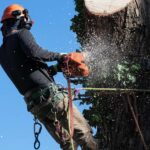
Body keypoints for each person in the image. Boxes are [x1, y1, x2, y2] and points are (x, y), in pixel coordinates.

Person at [0, 4, 98, 150]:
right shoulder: (21, 34)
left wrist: (55, 68)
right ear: (18, 18)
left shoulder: (2, 52)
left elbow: (30, 71)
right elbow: (36, 53)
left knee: (68, 144)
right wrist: (61, 56)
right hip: (52, 99)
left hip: (37, 106)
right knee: (84, 135)